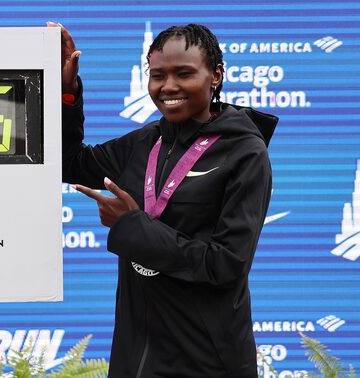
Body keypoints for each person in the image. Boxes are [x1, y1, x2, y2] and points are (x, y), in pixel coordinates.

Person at [55, 22, 277, 377]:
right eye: (157, 75)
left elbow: (225, 264)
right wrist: (67, 93)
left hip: (206, 363)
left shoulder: (245, 153)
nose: (168, 86)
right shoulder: (144, 143)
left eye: (183, 74)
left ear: (216, 76)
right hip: (135, 359)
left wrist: (132, 225)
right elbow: (68, 162)